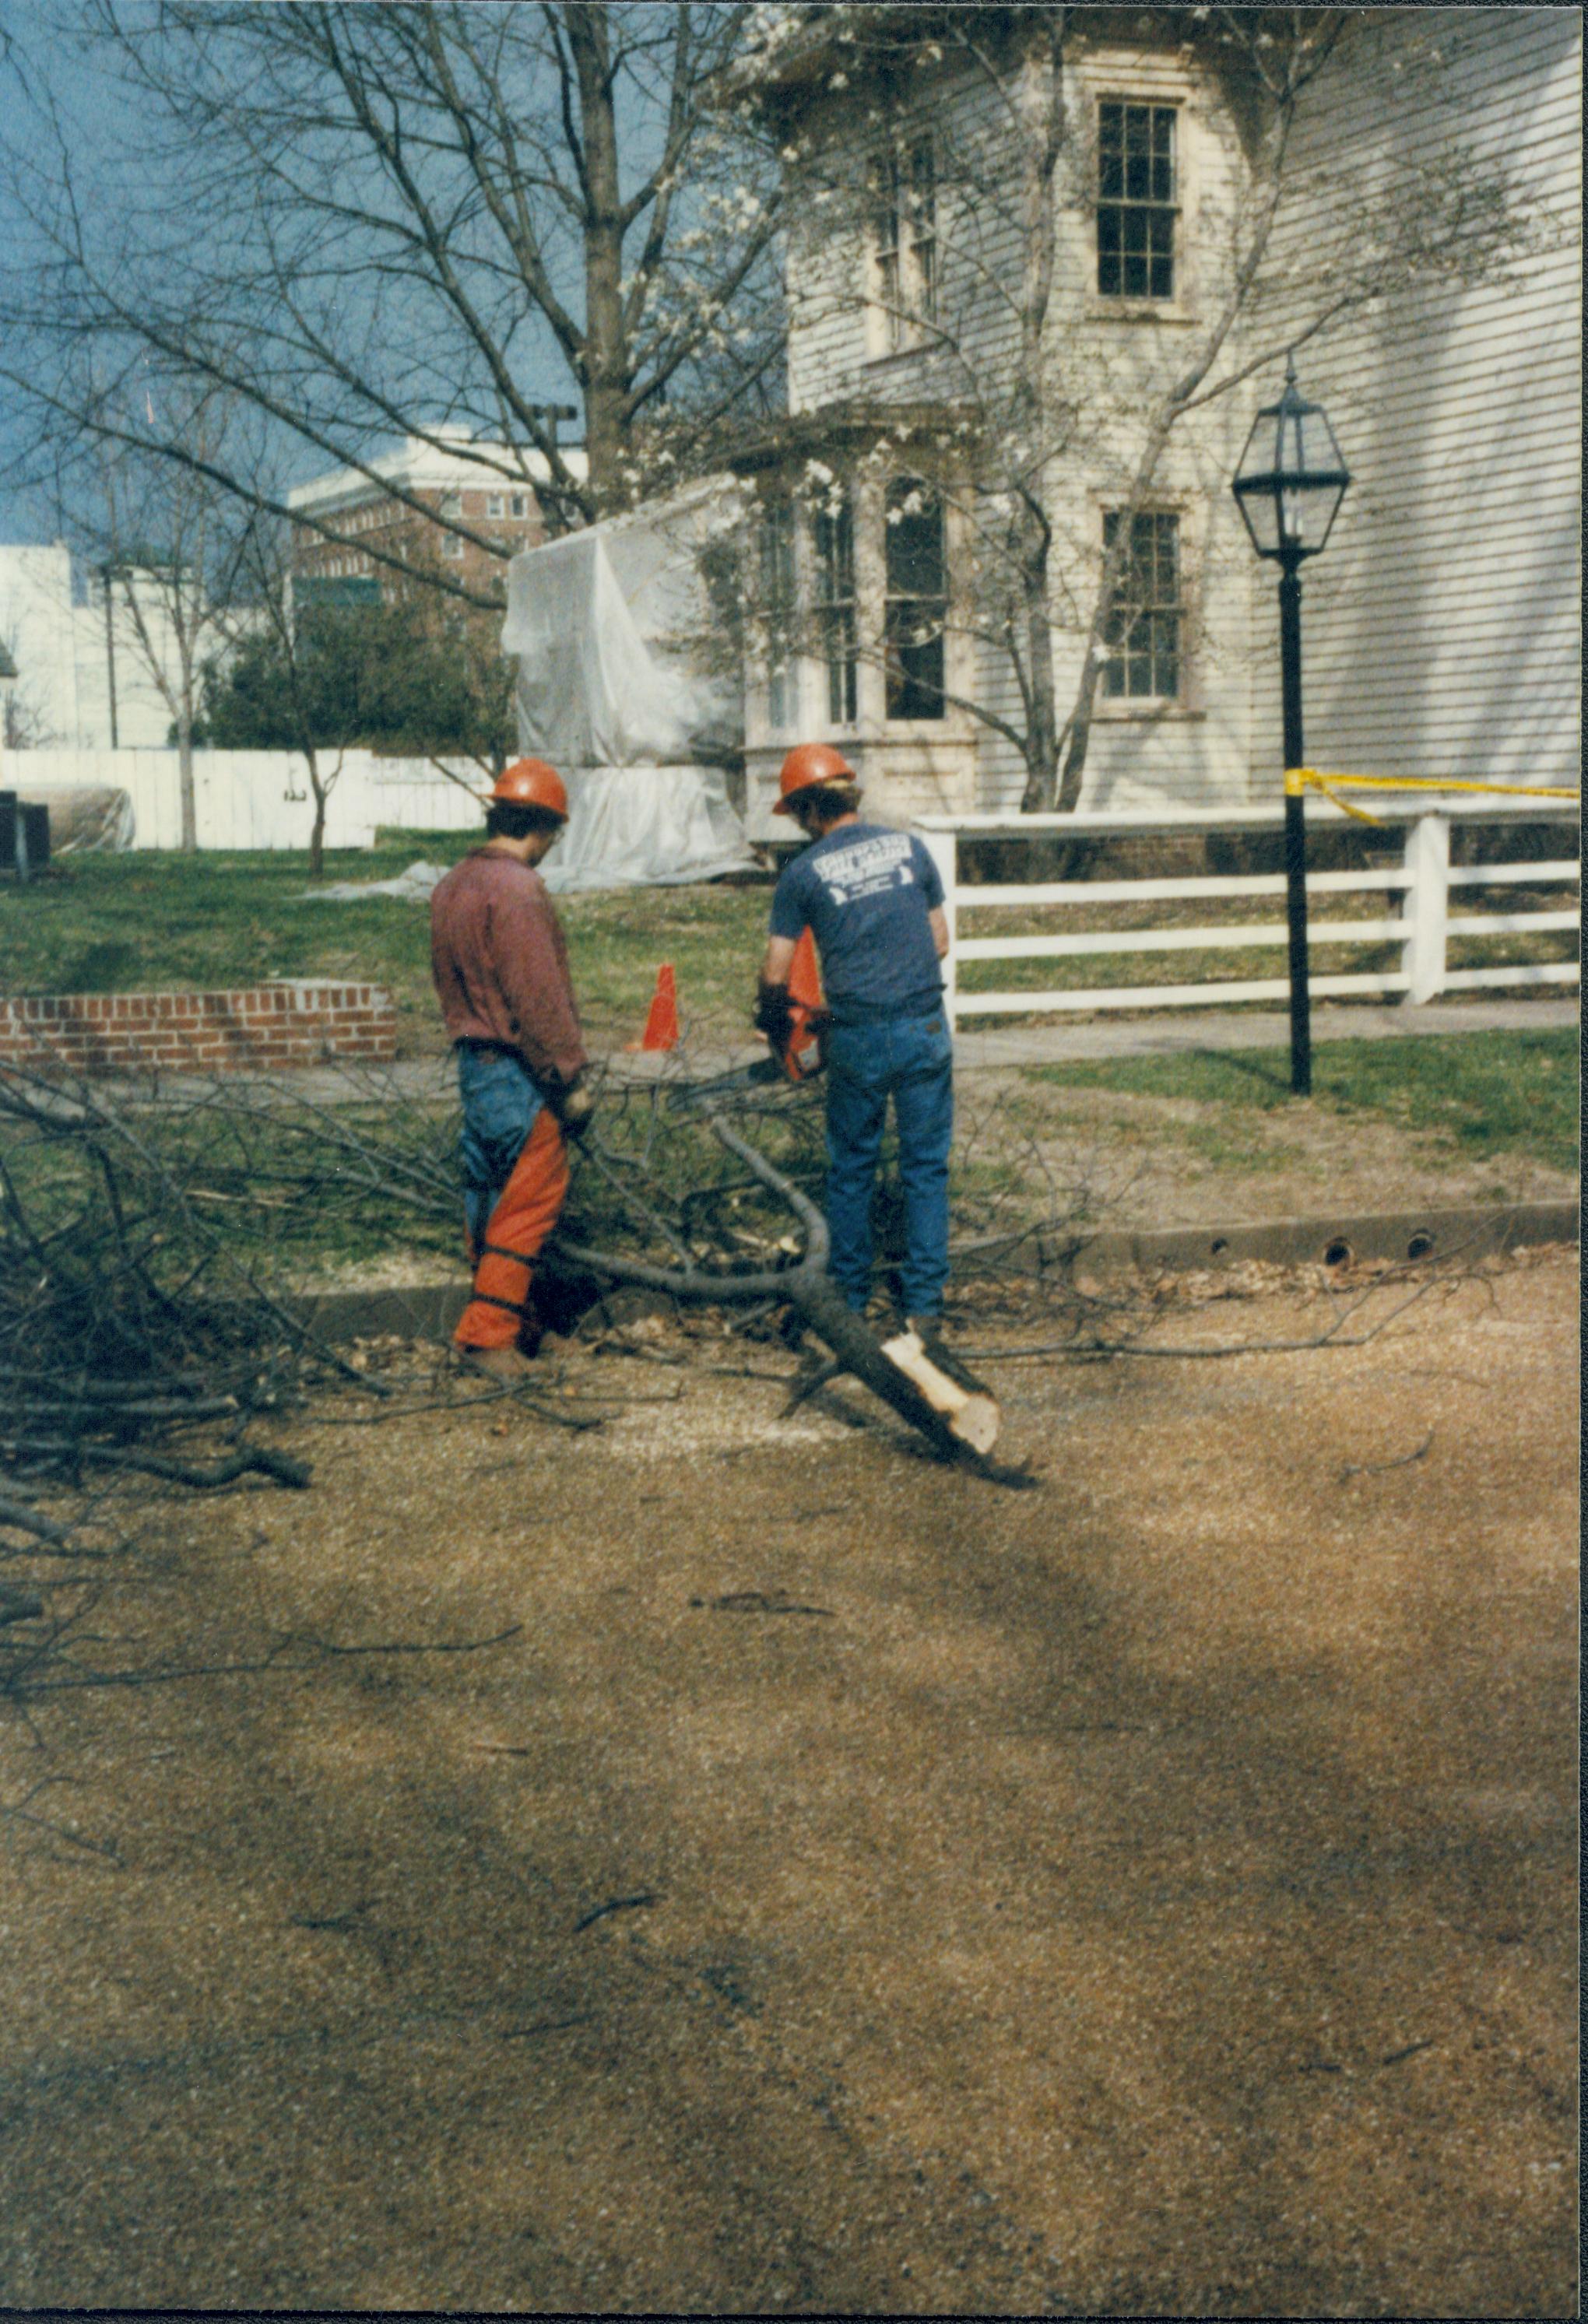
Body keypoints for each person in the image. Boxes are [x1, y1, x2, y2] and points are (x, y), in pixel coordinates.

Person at [756, 742, 955, 1349]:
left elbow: (776, 971)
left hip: (860, 1036)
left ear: (808, 811)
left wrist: (774, 1024)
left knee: (851, 1172)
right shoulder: (912, 847)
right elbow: (939, 941)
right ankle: (923, 1310)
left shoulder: (802, 874)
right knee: (925, 1170)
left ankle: (849, 1302)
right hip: (924, 1026)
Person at [430, 757, 594, 1378]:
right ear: (544, 826)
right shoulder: (519, 890)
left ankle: (521, 1325)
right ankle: (488, 1337)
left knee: (489, 1203)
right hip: (523, 1073)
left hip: (475, 1064)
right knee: (528, 1205)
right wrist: (569, 1076)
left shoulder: (452, 885)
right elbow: (538, 998)